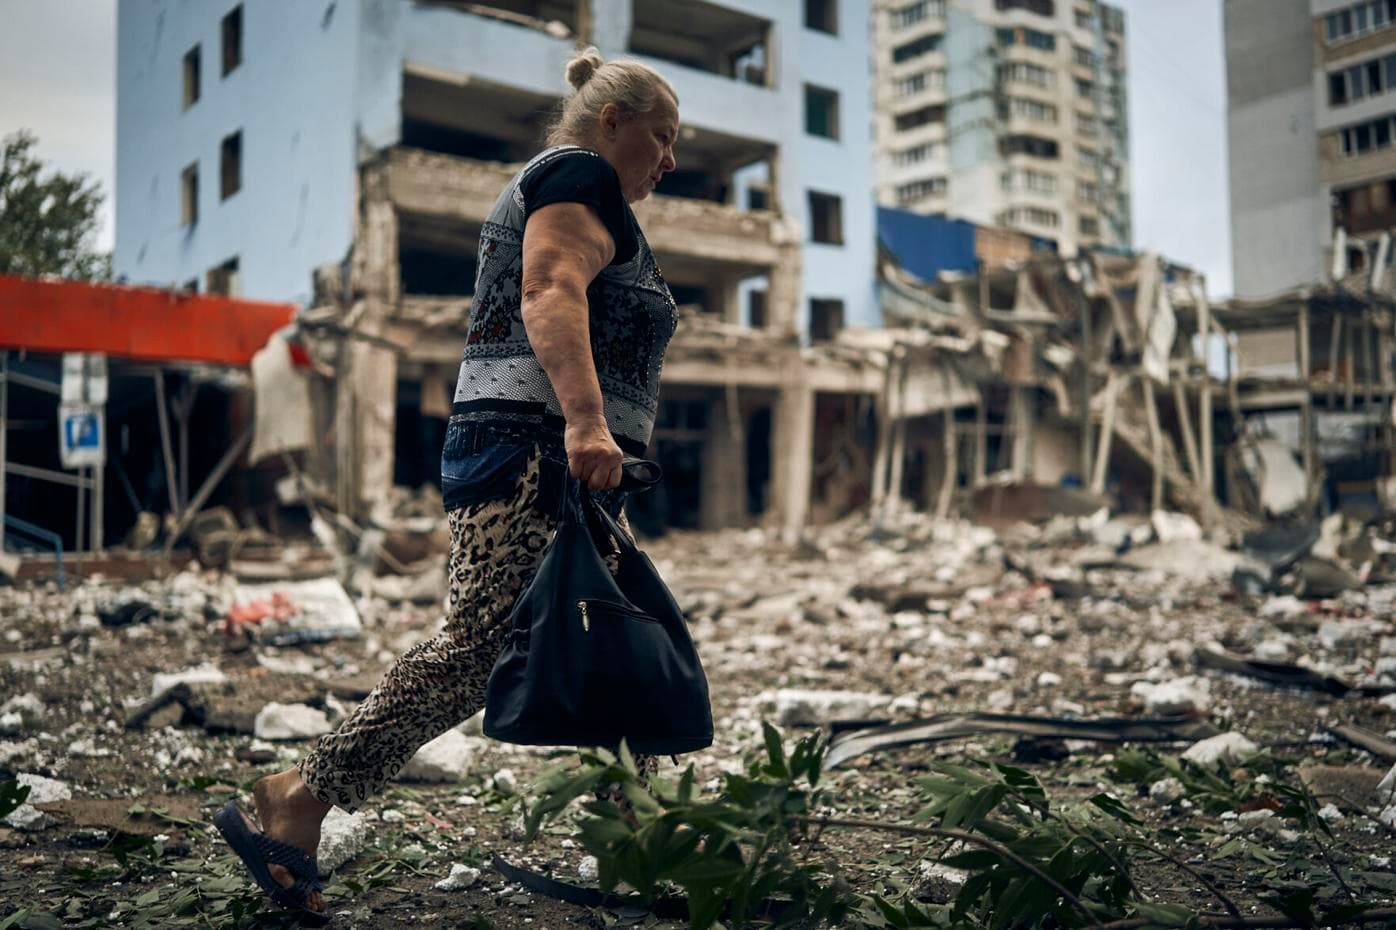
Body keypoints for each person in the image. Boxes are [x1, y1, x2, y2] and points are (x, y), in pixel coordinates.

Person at [215, 46, 681, 921]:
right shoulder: (578, 174)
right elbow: (548, 287)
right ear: (611, 122)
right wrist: (585, 422)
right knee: (482, 651)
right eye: (660, 136)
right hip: (537, 455)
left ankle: (643, 848)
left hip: (564, 468)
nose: (670, 159)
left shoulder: (591, 192)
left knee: (618, 653)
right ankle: (294, 798)